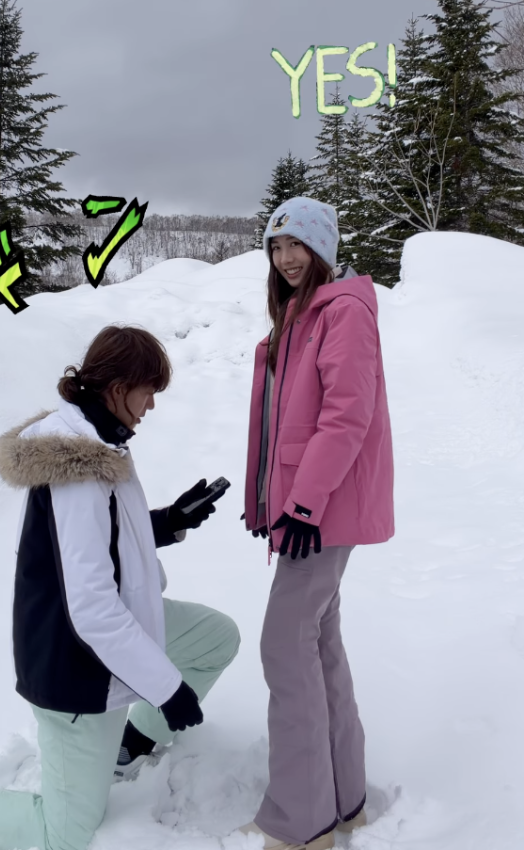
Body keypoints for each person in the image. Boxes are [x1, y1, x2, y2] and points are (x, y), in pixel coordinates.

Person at [0, 325, 240, 850]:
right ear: (118, 388)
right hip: (75, 668)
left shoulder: (98, 440)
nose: (152, 405)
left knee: (215, 638)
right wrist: (166, 689)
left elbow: (103, 542)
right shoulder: (79, 468)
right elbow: (91, 608)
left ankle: (130, 745)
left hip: (117, 632)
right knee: (65, 835)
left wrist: (169, 521)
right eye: (149, 391)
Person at [238, 196, 394, 850]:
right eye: (276, 247)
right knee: (317, 641)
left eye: (297, 244)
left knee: (284, 645)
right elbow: (286, 422)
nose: (286, 257)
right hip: (312, 508)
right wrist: (268, 503)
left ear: (322, 247)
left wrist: (301, 505)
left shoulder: (342, 311)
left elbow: (346, 416)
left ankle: (302, 822)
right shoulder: (301, 315)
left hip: (323, 510)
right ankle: (343, 798)